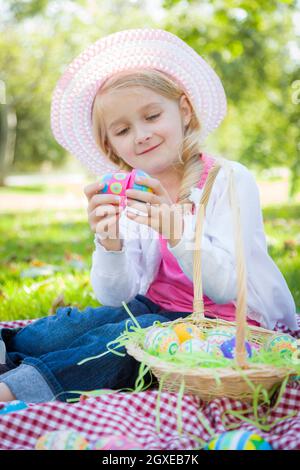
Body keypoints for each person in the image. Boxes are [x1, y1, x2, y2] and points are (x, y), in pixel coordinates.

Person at [0, 28, 297, 404]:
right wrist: (109, 243)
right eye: (123, 130)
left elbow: (227, 287)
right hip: (156, 305)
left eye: (152, 116)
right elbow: (116, 297)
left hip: (226, 320)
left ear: (184, 111)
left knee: (127, 339)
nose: (141, 135)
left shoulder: (228, 180)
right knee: (60, 332)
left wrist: (176, 230)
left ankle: (16, 388)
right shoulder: (133, 190)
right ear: (112, 146)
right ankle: (10, 352)